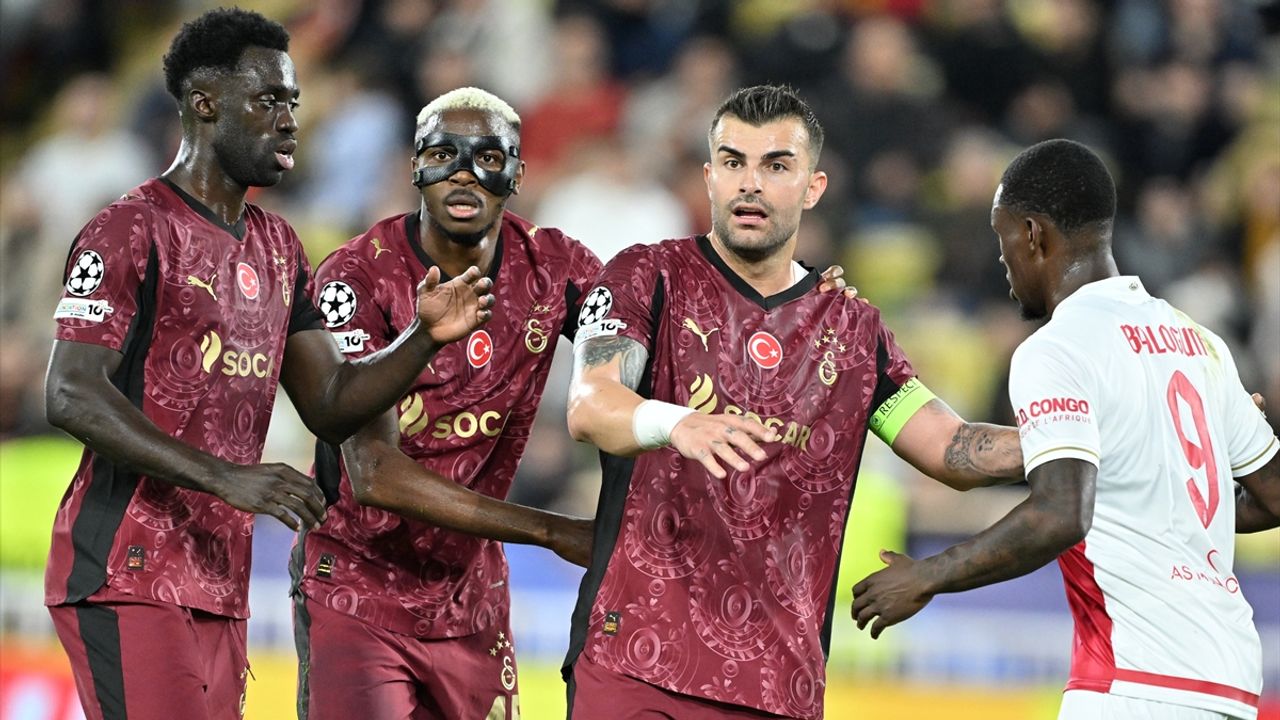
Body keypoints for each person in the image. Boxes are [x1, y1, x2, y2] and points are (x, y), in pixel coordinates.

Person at [290, 85, 857, 720]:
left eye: (488, 158)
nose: (465, 174)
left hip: (471, 598)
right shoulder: (355, 278)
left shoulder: (553, 266)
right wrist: (552, 530)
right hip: (357, 588)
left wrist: (787, 300)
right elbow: (372, 474)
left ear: (518, 174)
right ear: (414, 166)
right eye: (444, 154)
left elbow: (667, 335)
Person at [42, 10, 493, 720]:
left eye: (293, 103)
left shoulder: (280, 246)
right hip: (126, 568)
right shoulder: (131, 228)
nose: (288, 122)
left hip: (218, 580)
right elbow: (71, 392)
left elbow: (332, 404)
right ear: (204, 104)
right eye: (267, 102)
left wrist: (421, 339)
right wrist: (225, 476)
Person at [562, 84, 1024, 720]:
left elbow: (950, 449)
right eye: (733, 162)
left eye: (776, 166)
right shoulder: (646, 275)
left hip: (780, 686)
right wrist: (677, 424)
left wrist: (1083, 441)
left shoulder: (854, 329)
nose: (750, 184)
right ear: (709, 177)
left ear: (813, 187)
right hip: (635, 662)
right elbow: (590, 403)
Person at [851, 139, 1280, 720]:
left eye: (1002, 237)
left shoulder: (1057, 348)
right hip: (1231, 683)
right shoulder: (1199, 343)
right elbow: (1272, 495)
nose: (1003, 261)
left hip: (1134, 682)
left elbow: (1060, 512)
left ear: (1033, 234)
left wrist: (926, 576)